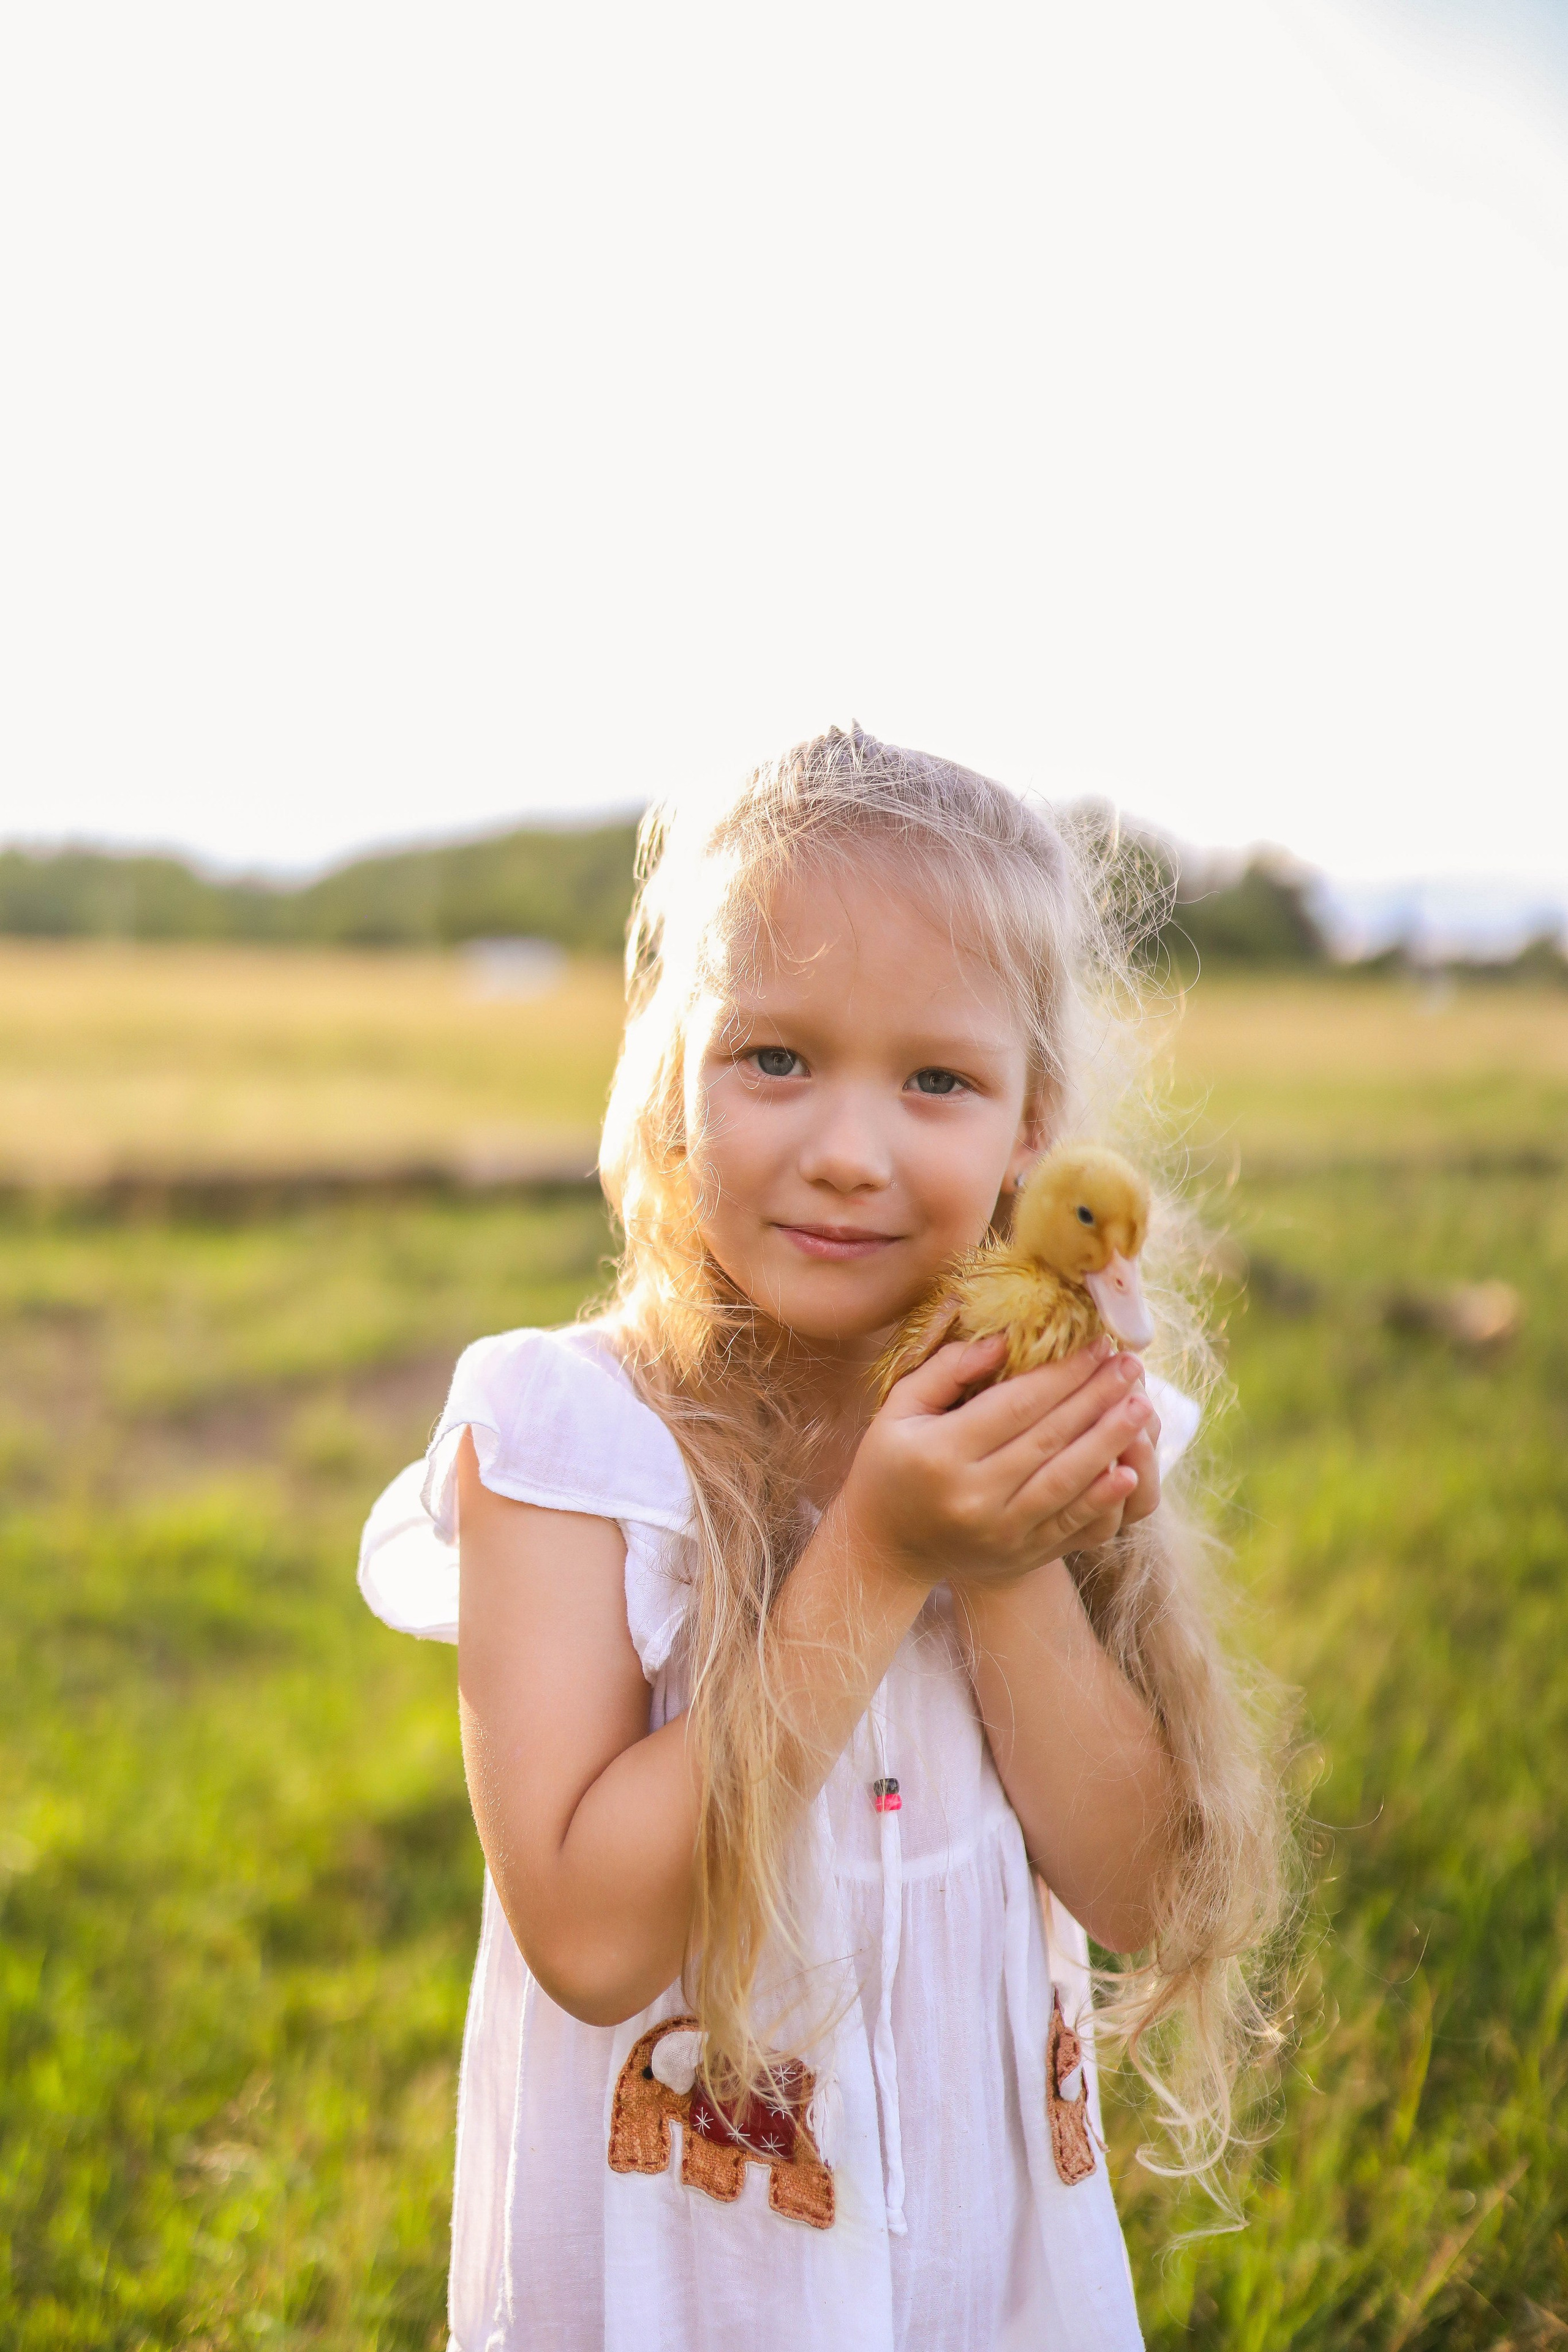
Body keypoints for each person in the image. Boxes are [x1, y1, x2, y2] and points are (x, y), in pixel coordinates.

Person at [358, 726, 1286, 2352]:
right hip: (684, 2277)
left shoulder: (1039, 1413)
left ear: (1030, 1128)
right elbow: (589, 1937)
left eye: (935, 1080)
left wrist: (993, 1560)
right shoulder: (569, 1446)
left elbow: (1137, 1882)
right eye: (776, 1058)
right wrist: (876, 1548)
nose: (850, 1149)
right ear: (671, 1082)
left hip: (975, 2275)